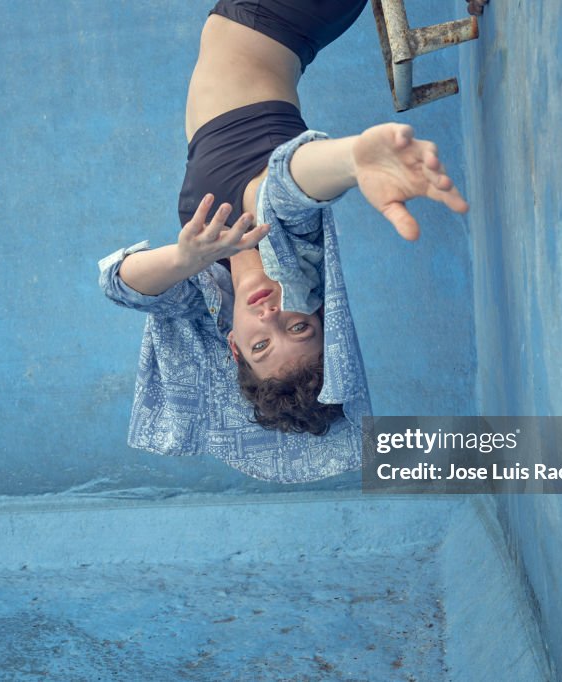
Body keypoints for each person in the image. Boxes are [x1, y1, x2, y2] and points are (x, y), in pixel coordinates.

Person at [99, 1, 468, 483]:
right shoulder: (289, 246)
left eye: (259, 344)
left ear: (232, 346)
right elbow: (289, 184)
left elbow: (120, 284)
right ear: (318, 314)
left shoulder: (209, 276)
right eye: (297, 330)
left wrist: (186, 256)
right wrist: (353, 160)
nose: (270, 318)